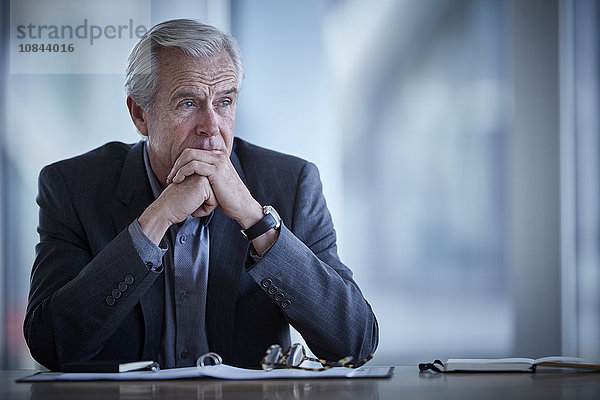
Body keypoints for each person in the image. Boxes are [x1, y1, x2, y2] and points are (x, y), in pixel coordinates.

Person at [24, 19, 378, 371]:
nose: (212, 126)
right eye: (188, 103)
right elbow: (51, 344)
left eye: (224, 101)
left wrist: (257, 223)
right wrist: (155, 219)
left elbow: (355, 342)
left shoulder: (292, 183)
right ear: (140, 115)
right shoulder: (71, 186)